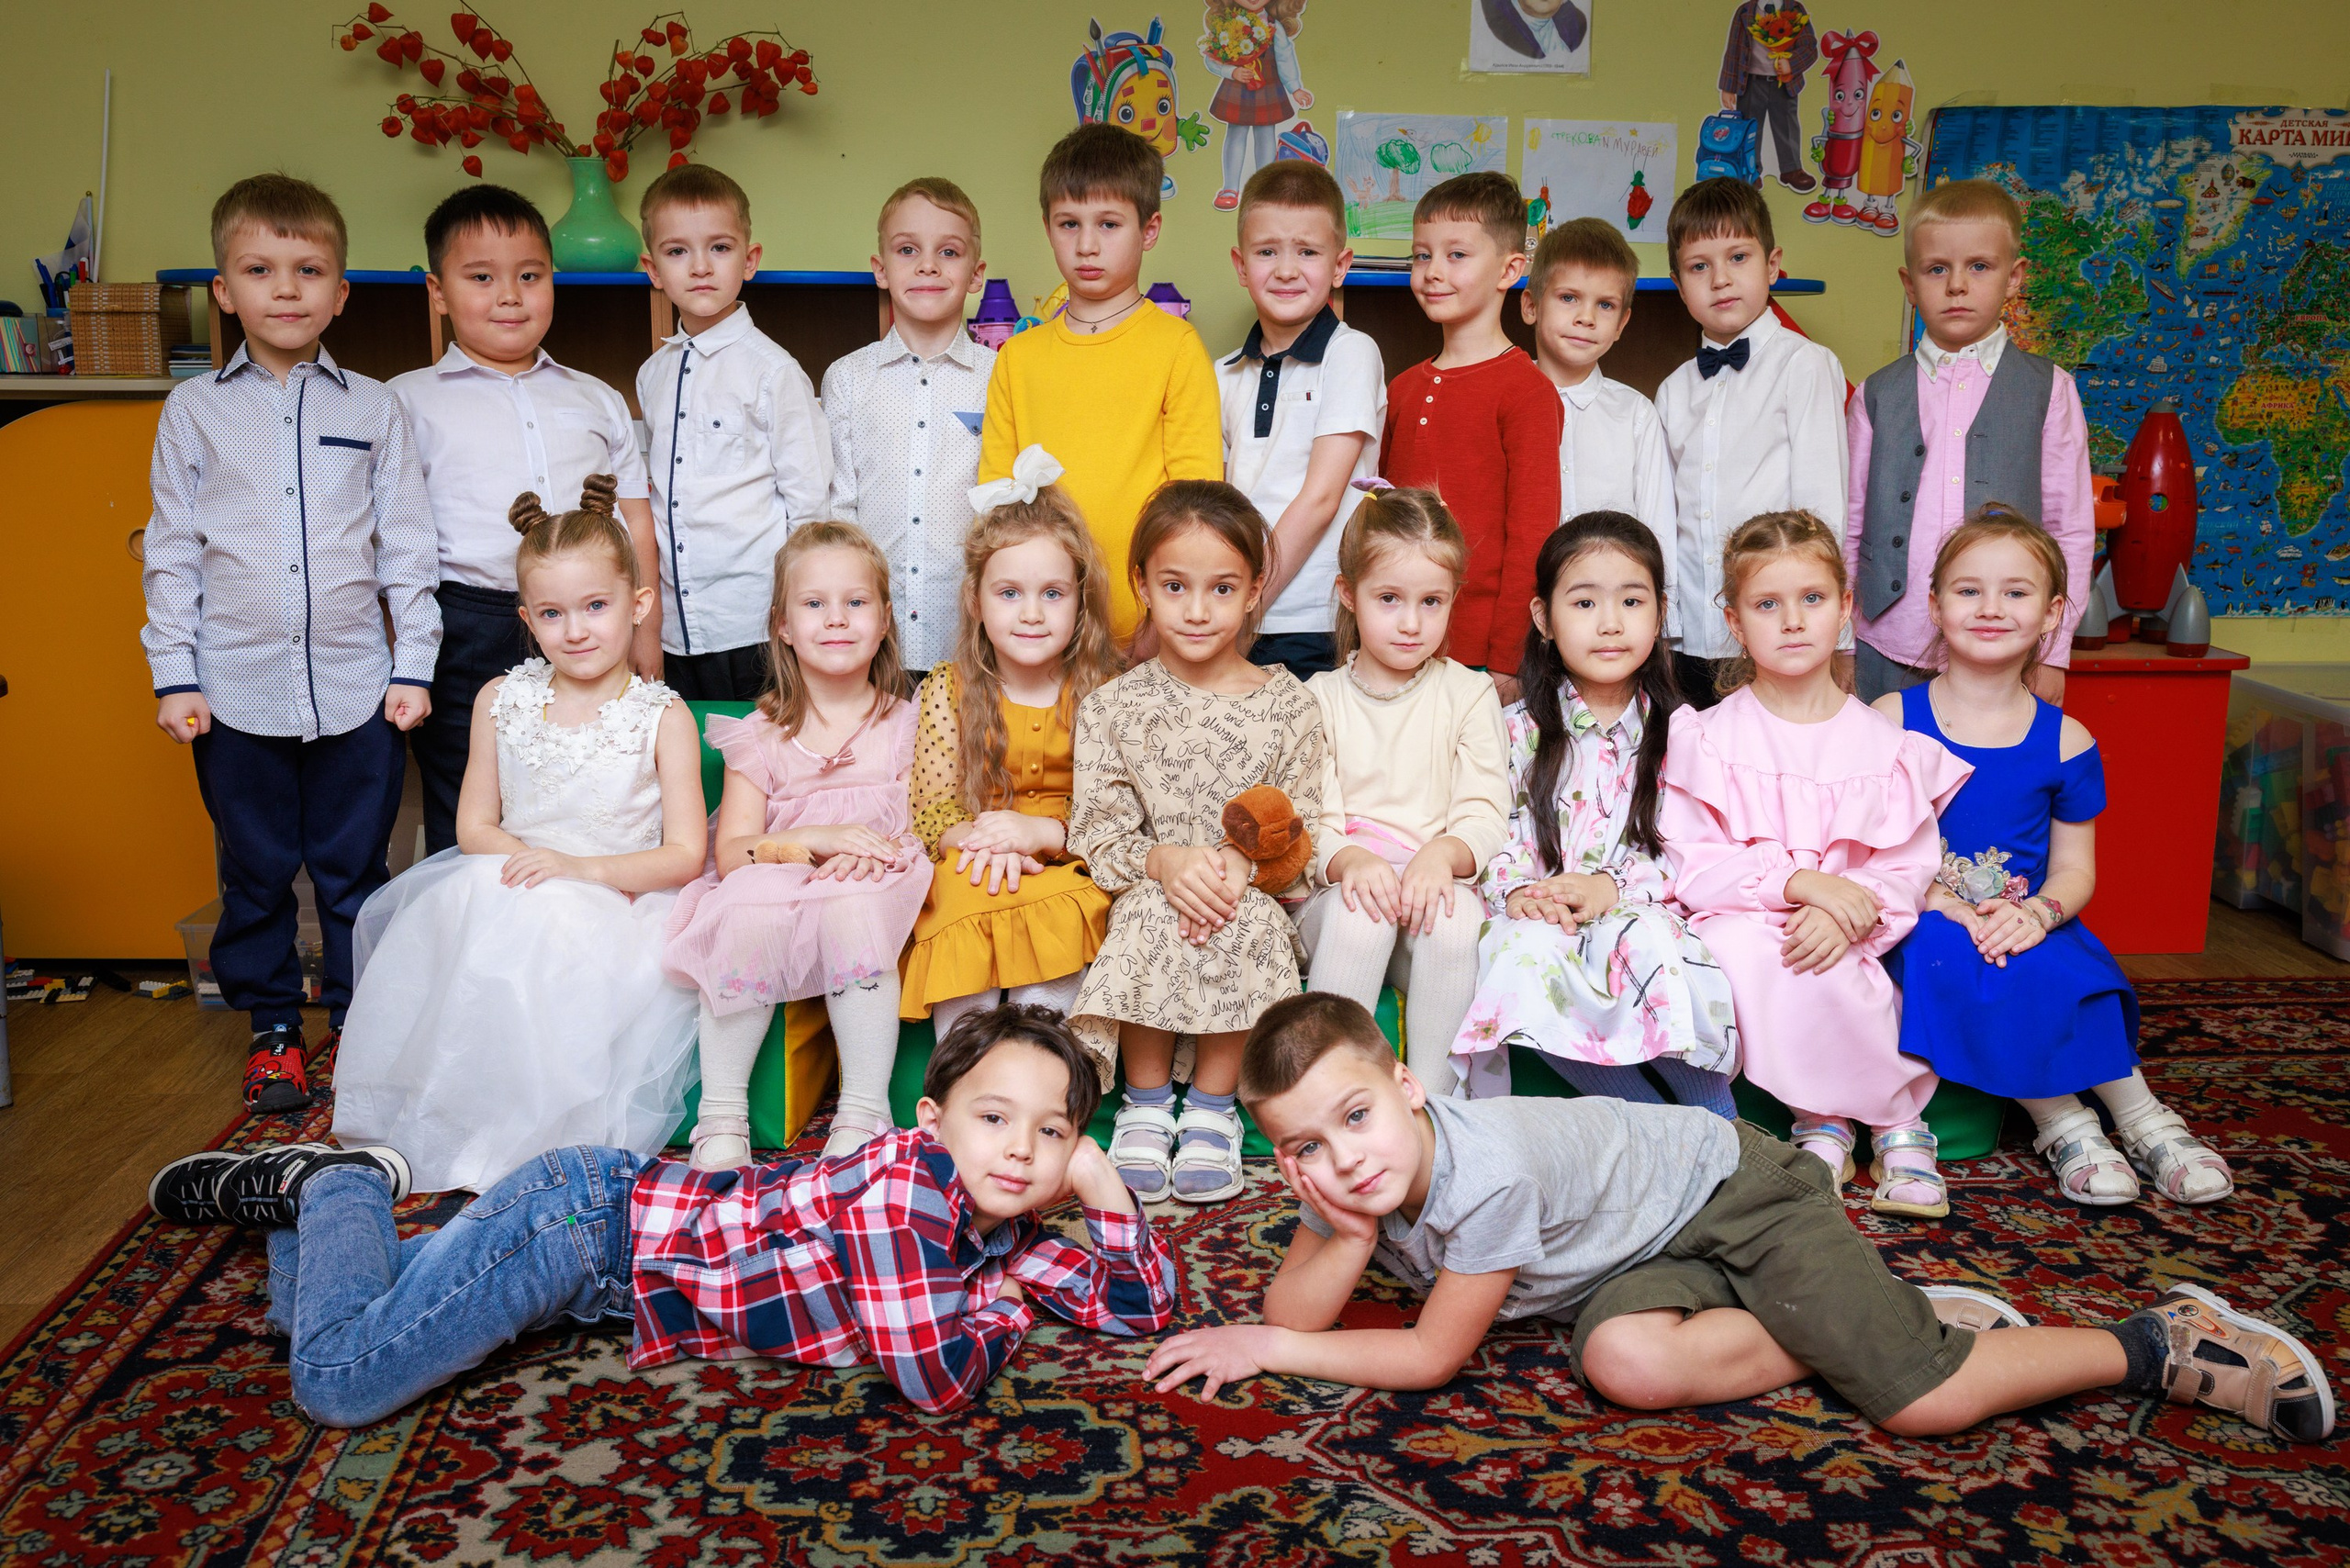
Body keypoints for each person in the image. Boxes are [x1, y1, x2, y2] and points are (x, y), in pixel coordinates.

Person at [1138, 991, 2333, 1450]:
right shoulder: (1345, 1183)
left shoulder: (1481, 1171)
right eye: (1303, 1145)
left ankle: (2157, 1339)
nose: (1341, 1159)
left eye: (1355, 1116)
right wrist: (1333, 1230)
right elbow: (1299, 1300)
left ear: (1405, 1080)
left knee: (1920, 1403)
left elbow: (1427, 1355)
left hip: (1731, 1191)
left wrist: (1271, 1344)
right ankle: (1890, 1315)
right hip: (1633, 1249)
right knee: (1622, 1362)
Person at [149, 1005, 1179, 1428]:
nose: (1018, 1148)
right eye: (993, 1117)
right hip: (584, 1224)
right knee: (337, 1380)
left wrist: (1102, 1188)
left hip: (603, 1267)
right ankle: (340, 1186)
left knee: (356, 1309)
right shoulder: (910, 1186)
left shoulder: (1004, 1225)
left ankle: (298, 1213)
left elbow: (1140, 1309)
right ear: (931, 1117)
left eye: (1051, 1134)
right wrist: (997, 1305)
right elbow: (938, 1381)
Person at [141, 174, 439, 1113]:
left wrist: (412, 666)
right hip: (233, 690)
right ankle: (274, 1028)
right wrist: (174, 676)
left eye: (309, 270)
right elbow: (172, 549)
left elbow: (408, 546)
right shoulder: (193, 414)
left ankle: (359, 1020)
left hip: (357, 686)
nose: (286, 288)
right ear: (225, 290)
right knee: (257, 871)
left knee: (357, 869)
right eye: (260, 269)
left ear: (340, 292)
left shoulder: (375, 407)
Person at [330, 478, 708, 1193]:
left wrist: (578, 870)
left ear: (639, 604)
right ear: (527, 619)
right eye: (553, 613)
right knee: (476, 918)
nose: (577, 629)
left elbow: (686, 855)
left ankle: (528, 1144)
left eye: (597, 606)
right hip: (511, 874)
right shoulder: (501, 699)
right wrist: (537, 864)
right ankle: (447, 1127)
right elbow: (474, 826)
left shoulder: (663, 716)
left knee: (552, 940)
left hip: (616, 893)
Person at [1881, 508, 2233, 1207]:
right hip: (1926, 915)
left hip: (2026, 916)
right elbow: (1867, 847)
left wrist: (2039, 913)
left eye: (2015, 592)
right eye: (1968, 589)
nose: (1990, 608)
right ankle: (2063, 1119)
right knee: (1961, 954)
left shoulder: (2067, 739)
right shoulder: (1890, 719)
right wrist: (1940, 902)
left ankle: (2142, 1117)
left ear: (2053, 613)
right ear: (1934, 605)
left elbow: (2077, 870)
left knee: (2069, 967)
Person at [1660, 510, 1968, 1218]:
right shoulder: (1707, 737)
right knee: (1737, 945)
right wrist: (1800, 884)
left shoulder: (1885, 746)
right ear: (1735, 623)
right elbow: (1695, 862)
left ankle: (1895, 1125)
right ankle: (1824, 1118)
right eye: (1768, 605)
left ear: (1845, 610)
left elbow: (1905, 867)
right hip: (1749, 913)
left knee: (1839, 953)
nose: (1793, 621)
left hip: (1854, 921)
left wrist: (1847, 908)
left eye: (1813, 599)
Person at [1070, 480, 1327, 1204]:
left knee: (1240, 920)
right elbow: (1097, 829)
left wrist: (1235, 869)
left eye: (1222, 587)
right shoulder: (1115, 706)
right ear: (1141, 585)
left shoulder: (1290, 705)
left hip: (1249, 890)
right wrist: (1166, 863)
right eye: (1175, 585)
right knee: (1152, 912)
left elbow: (1297, 822)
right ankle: (1147, 1107)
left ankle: (1213, 1109)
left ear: (1254, 592)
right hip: (1150, 885)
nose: (1197, 608)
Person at [661, 522, 931, 1170]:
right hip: (780, 876)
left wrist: (857, 851)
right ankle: (720, 1115)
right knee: (746, 901)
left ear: (886, 618)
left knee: (850, 902)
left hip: (875, 876)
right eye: (814, 604)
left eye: (856, 603)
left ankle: (863, 1111)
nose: (836, 619)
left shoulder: (908, 724)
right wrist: (808, 839)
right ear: (782, 625)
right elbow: (734, 855)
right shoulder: (761, 735)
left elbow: (921, 825)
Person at [392, 185, 654, 853]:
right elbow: (386, 537)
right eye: (481, 277)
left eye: (530, 276)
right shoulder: (403, 403)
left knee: (595, 785)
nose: (510, 296)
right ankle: (479, 936)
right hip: (467, 624)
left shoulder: (595, 396)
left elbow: (637, 524)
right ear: (438, 290)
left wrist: (645, 643)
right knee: (469, 797)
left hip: (592, 617)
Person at [1450, 513, 1738, 1114]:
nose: (1610, 624)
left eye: (1631, 602)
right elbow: (1493, 827)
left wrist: (1612, 888)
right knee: (1523, 952)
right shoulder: (1514, 731)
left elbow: (1695, 844)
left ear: (1660, 613)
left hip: (1640, 907)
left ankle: (1714, 1116)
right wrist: (1527, 894)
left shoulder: (1687, 735)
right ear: (1543, 619)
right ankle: (1656, 1121)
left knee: (1647, 942)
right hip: (1541, 908)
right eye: (1583, 603)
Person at [1846, 179, 2094, 706]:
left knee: (1991, 784)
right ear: (1909, 284)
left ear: (2014, 277)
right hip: (1887, 644)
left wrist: (2054, 650)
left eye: (1979, 266)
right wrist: (1842, 641)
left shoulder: (2051, 390)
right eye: (1937, 269)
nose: (1957, 285)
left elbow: (2068, 529)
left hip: (2007, 649)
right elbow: (1849, 525)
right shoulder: (1874, 393)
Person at [901, 459, 1123, 1042]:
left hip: (1070, 865)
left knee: (1062, 912)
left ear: (1081, 602)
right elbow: (932, 811)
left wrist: (1039, 836)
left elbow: (1122, 816)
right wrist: (984, 844)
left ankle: (1043, 1079)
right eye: (1009, 592)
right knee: (960, 898)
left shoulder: (1106, 693)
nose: (1031, 613)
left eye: (1052, 593)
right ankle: (963, 1084)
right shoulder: (948, 689)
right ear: (975, 600)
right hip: (973, 863)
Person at [979, 123, 1224, 646]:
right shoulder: (1017, 358)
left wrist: (1165, 618)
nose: (1087, 245)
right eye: (1069, 223)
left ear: (1150, 230)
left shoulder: (1177, 346)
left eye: (1109, 224)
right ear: (1047, 228)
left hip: (1149, 632)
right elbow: (997, 509)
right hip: (1038, 632)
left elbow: (1195, 505)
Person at [1296, 487, 1505, 1094]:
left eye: (1431, 601)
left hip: (1425, 900)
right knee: (1361, 918)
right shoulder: (1320, 698)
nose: (1411, 622)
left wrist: (1442, 856)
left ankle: (1438, 1110)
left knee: (1457, 915)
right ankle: (1331, 1093)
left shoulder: (1468, 694)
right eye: (1389, 599)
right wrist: (1350, 859)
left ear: (1451, 600)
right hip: (1340, 901)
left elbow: (1486, 811)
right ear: (1348, 594)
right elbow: (1309, 820)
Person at [634, 163, 831, 701]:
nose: (699, 267)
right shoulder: (653, 375)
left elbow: (810, 503)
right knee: (687, 761)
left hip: (755, 623)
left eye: (719, 248)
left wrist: (802, 608)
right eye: (677, 252)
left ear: (750, 260)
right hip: (676, 625)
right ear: (652, 269)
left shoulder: (774, 371)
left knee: (763, 763)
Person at [1653, 177, 1845, 707]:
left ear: (1772, 264)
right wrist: (1663, 629)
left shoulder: (1806, 365)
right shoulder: (1672, 391)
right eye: (1699, 266)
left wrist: (1834, 635)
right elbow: (1667, 518)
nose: (1720, 280)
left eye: (1738, 256)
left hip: (1779, 629)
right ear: (1678, 283)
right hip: (1691, 631)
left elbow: (1824, 509)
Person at [1380, 171, 1562, 703]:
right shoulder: (1403, 387)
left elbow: (1532, 537)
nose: (1433, 272)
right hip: (1397, 639)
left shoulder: (1527, 391)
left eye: (1456, 255)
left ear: (1510, 269)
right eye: (1421, 256)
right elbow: (1383, 523)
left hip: (1481, 657)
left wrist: (1508, 658)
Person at [1216, 159, 1384, 681]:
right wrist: (1224, 607)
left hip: (1316, 619)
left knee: (1308, 760)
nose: (1286, 270)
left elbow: (1320, 499)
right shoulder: (1223, 372)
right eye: (1267, 252)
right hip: (1231, 615)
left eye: (1307, 252)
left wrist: (1247, 602)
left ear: (1340, 265)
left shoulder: (1351, 353)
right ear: (1241, 266)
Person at [822, 176, 996, 680]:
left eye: (948, 251)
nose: (927, 265)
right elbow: (840, 509)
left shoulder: (1001, 378)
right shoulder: (847, 379)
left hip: (972, 640)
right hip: (871, 641)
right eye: (907, 250)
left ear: (976, 273)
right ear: (880, 269)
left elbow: (1012, 509)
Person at [1520, 218, 1677, 633]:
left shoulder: (1636, 414)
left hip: (1613, 621)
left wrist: (1661, 626)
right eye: (1569, 297)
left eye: (1605, 305)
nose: (1586, 317)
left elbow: (1657, 526)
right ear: (1531, 305)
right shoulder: (1503, 401)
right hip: (1521, 617)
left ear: (1623, 323)